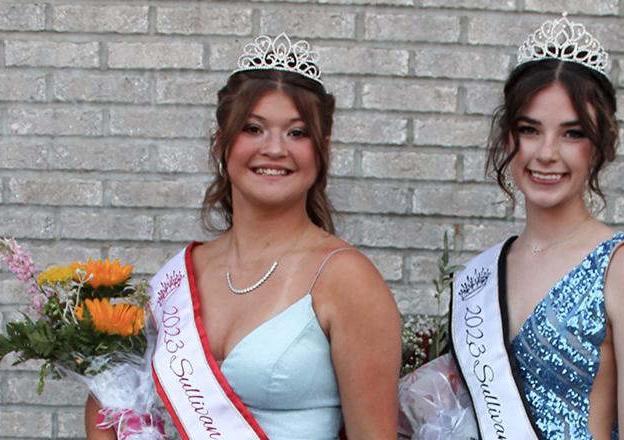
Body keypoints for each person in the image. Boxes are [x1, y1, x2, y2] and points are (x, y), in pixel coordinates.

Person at [85, 33, 401, 440]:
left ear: (322, 150)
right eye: (253, 128)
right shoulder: (181, 274)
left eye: (297, 133)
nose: (274, 149)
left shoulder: (346, 279)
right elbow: (116, 400)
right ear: (222, 142)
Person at [449, 14, 624, 439]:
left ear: (601, 144)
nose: (547, 153)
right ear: (507, 139)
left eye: (572, 134)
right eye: (529, 130)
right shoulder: (484, 272)